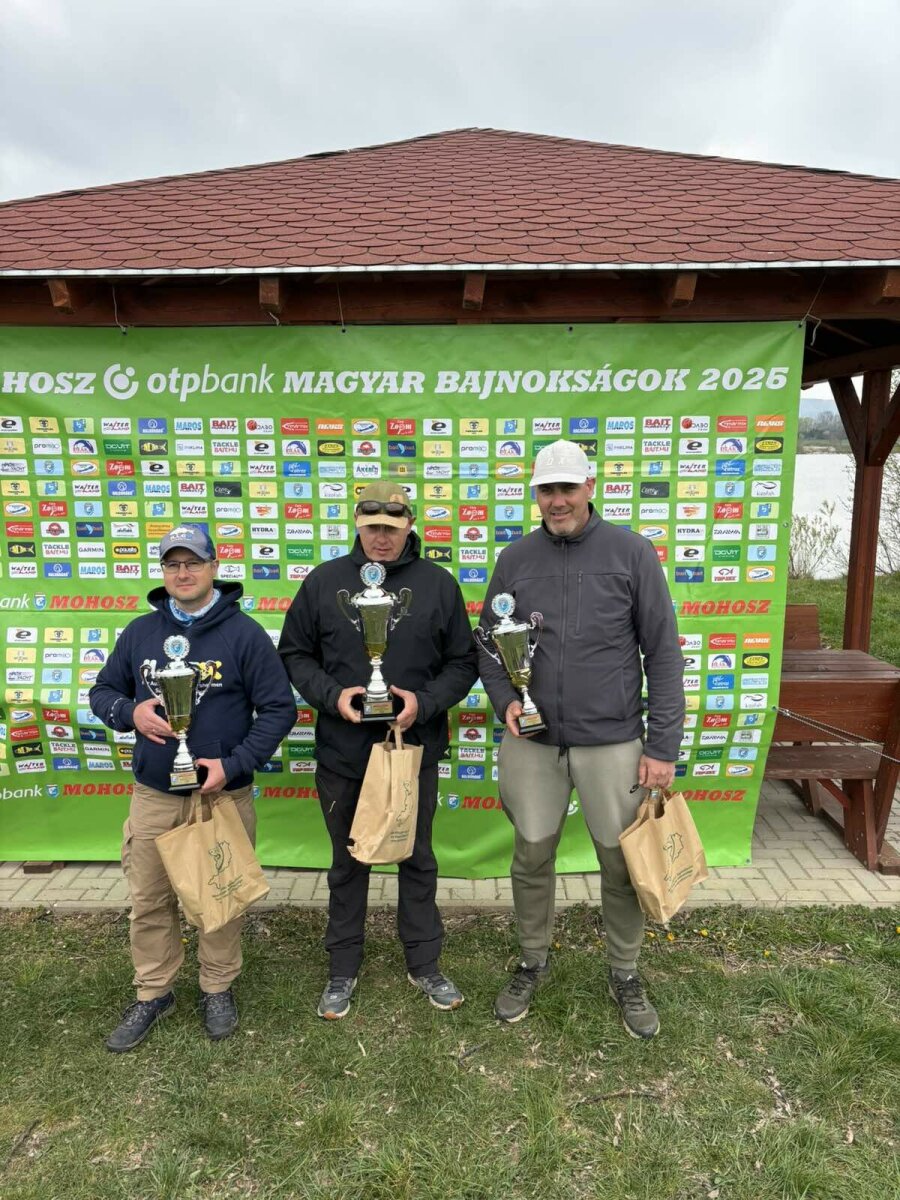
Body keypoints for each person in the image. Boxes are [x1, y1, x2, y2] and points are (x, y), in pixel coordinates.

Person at [476, 440, 684, 1038]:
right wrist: (506, 699)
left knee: (619, 862)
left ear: (590, 487)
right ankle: (531, 960)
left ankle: (625, 970)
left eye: (568, 488)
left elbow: (663, 653)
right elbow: (489, 644)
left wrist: (662, 747)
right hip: (534, 743)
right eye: (547, 490)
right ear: (536, 494)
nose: (558, 500)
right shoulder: (515, 558)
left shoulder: (630, 552)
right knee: (530, 855)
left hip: (611, 741)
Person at [89, 524, 297, 1051]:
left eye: (193, 562)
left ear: (214, 567)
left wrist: (235, 763)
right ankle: (153, 990)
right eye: (172, 564)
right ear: (164, 572)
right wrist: (129, 711)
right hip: (155, 796)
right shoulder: (140, 632)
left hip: (221, 796)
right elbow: (102, 691)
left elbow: (279, 709)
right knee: (149, 899)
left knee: (219, 899)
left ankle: (216, 986)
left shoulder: (244, 634)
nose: (183, 573)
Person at [278, 481, 478, 1019]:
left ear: (409, 525)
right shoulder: (324, 582)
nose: (381, 538)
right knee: (348, 862)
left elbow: (463, 662)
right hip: (344, 753)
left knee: (418, 858)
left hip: (413, 749)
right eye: (372, 528)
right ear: (357, 525)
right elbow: (294, 653)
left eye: (391, 528)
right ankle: (342, 969)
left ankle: (425, 963)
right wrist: (332, 695)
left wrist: (424, 702)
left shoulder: (438, 585)